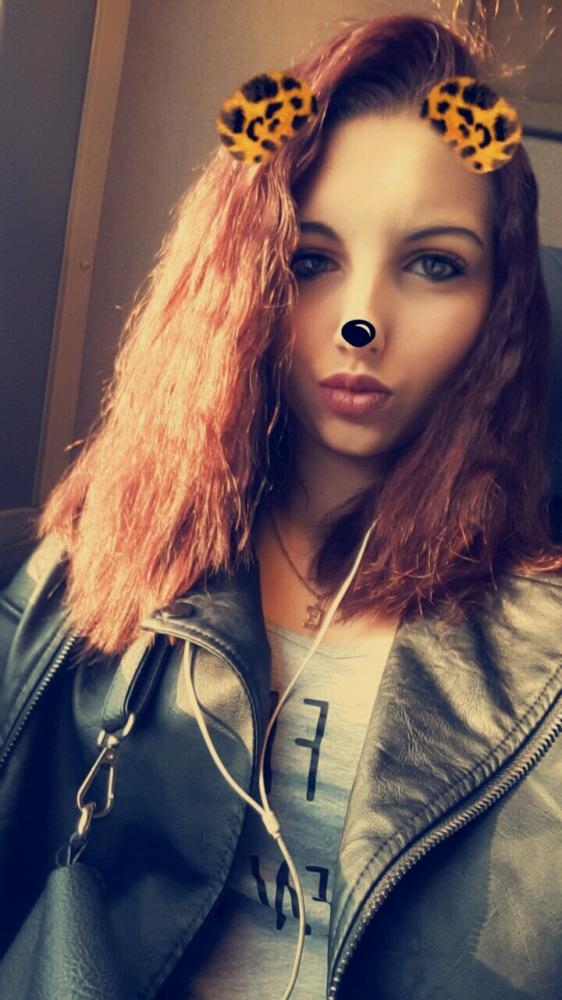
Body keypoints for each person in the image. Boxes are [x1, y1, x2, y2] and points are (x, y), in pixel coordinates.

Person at [1, 11, 561, 1000]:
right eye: (311, 259)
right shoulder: (96, 568)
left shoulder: (544, 663)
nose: (363, 320)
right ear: (243, 277)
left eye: (434, 263)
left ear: (499, 307)